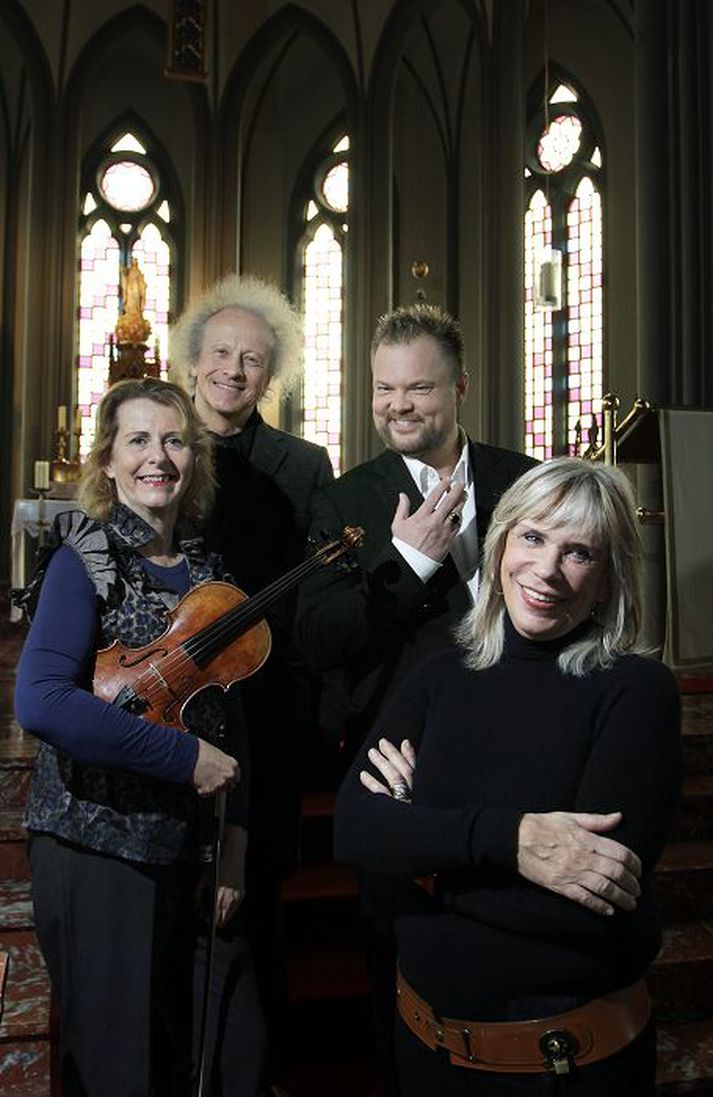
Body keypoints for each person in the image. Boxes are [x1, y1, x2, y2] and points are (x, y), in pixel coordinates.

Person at [334, 457, 683, 1096]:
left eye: (579, 553)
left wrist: (419, 855)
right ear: (500, 546)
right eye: (533, 537)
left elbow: (588, 912)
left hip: (560, 1066)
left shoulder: (636, 691)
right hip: (423, 1050)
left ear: (607, 581)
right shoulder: (441, 674)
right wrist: (516, 841)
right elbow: (354, 829)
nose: (547, 570)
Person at [295, 302, 541, 1093]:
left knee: (509, 944)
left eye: (419, 389)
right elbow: (321, 638)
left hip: (518, 750)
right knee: (396, 953)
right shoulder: (345, 500)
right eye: (383, 390)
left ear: (460, 387)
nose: (397, 406)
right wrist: (405, 560)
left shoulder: (525, 480)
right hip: (399, 762)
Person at [14, 378, 263, 1096]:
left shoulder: (210, 572)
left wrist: (235, 852)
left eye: (175, 439)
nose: (159, 455)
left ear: (195, 458)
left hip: (197, 852)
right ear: (109, 460)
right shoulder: (82, 560)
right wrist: (183, 757)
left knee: (230, 1054)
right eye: (139, 439)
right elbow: (43, 701)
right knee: (123, 1070)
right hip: (100, 852)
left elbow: (232, 717)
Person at [170, 273, 334, 1087]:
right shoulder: (158, 444)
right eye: (223, 353)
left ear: (273, 377)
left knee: (252, 912)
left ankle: (250, 1073)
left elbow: (308, 599)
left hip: (263, 706)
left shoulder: (301, 464)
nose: (236, 370)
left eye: (255, 360)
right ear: (194, 361)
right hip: (165, 704)